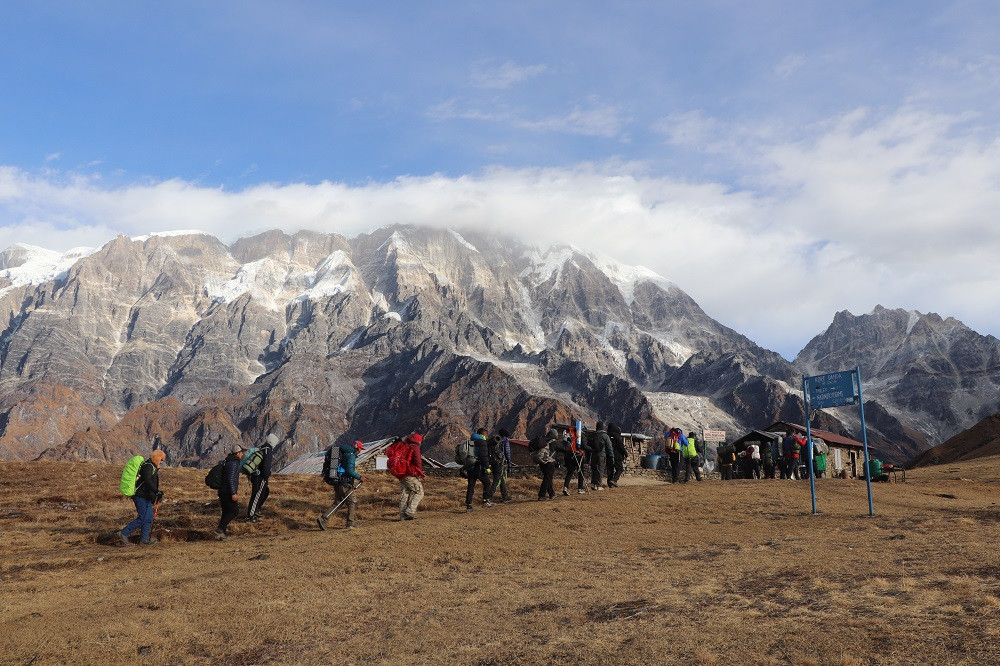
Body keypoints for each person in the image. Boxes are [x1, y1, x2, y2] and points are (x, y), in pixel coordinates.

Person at [119, 449, 166, 546]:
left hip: (146, 497)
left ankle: (144, 540)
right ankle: (124, 533)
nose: (162, 462)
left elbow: (149, 483)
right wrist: (157, 492)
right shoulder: (148, 467)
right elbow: (148, 481)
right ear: (157, 458)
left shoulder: (151, 466)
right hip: (140, 497)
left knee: (148, 518)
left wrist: (155, 495)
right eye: (161, 460)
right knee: (143, 517)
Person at [322, 439, 364, 529]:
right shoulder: (351, 456)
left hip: (337, 481)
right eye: (360, 448)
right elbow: (349, 470)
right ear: (357, 448)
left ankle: (323, 519)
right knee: (352, 502)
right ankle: (350, 522)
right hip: (345, 483)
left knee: (338, 502)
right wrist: (360, 477)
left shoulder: (344, 453)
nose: (360, 451)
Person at [215, 444, 244, 540]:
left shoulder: (229, 461)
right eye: (241, 453)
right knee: (234, 511)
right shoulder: (234, 463)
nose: (242, 455)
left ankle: (222, 535)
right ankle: (220, 528)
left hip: (223, 491)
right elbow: (231, 479)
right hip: (228, 492)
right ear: (237, 453)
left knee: (226, 512)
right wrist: (233, 493)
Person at [246, 433, 277, 523]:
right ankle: (251, 516)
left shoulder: (262, 448)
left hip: (255, 476)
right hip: (260, 477)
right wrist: (266, 476)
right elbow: (266, 466)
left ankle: (256, 510)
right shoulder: (268, 450)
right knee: (257, 495)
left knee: (264, 492)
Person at [464, 429, 495, 511]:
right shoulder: (482, 442)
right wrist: (487, 467)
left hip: (470, 466)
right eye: (486, 434)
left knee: (471, 486)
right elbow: (483, 456)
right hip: (478, 467)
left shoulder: (471, 441)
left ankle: (468, 505)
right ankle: (485, 502)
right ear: (483, 434)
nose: (487, 435)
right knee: (487, 483)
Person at [398, 433, 425, 520]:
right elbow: (417, 460)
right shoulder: (415, 447)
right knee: (419, 492)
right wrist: (420, 472)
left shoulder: (405, 446)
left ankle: (403, 515)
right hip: (410, 473)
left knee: (405, 493)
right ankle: (410, 511)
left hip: (401, 474)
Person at [530, 428, 558, 500]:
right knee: (547, 478)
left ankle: (552, 494)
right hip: (549, 461)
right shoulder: (553, 442)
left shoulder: (543, 440)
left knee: (547, 478)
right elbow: (564, 448)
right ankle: (541, 495)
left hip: (542, 461)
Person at [489, 429, 513, 503]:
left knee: (501, 479)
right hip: (500, 462)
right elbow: (507, 453)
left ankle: (505, 496)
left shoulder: (495, 440)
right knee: (497, 480)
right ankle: (489, 497)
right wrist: (509, 464)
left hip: (493, 462)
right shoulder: (505, 441)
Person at [590, 422, 614, 490]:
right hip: (601, 454)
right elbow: (609, 447)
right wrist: (612, 457)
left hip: (593, 454)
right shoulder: (605, 435)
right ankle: (598, 485)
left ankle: (593, 484)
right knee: (600, 469)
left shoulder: (593, 435)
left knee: (594, 469)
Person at [561, 430, 587, 495]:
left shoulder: (568, 433)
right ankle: (580, 488)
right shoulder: (581, 435)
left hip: (569, 455)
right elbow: (584, 445)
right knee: (581, 471)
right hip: (578, 455)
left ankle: (565, 487)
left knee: (570, 472)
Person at [607, 423, 627, 487]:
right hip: (617, 456)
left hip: (609, 455)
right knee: (620, 469)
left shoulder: (608, 436)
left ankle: (610, 483)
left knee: (610, 469)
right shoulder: (617, 437)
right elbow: (621, 446)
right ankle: (614, 480)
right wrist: (625, 453)